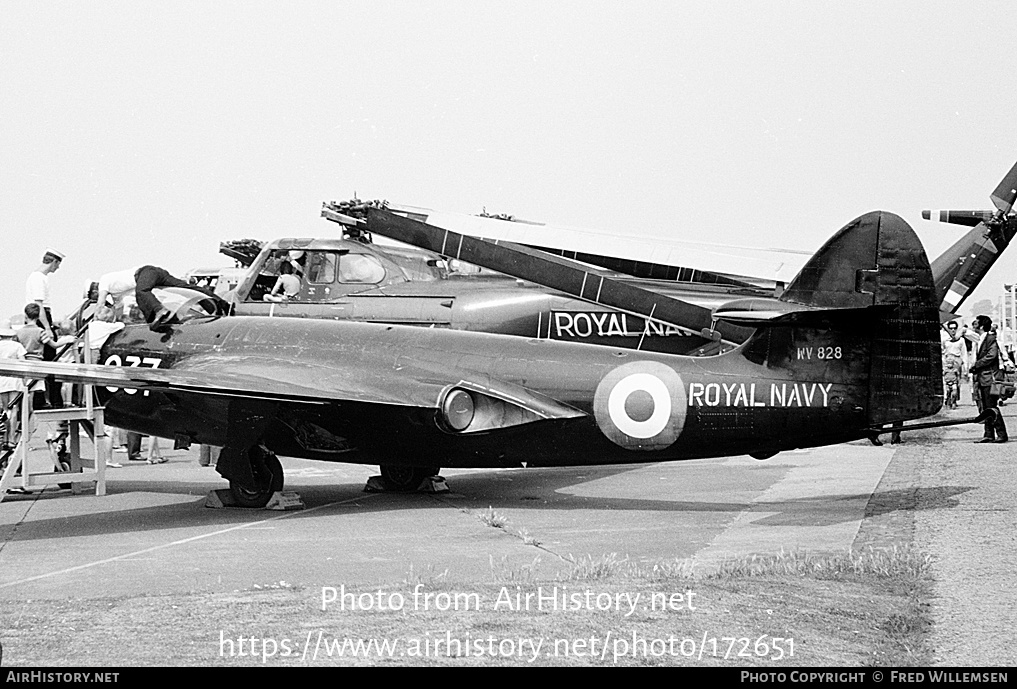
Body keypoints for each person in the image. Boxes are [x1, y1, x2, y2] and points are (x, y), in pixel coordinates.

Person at [969, 315, 1009, 443]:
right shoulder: (980, 339)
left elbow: (992, 356)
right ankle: (989, 434)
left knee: (991, 407)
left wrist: (977, 364)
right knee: (987, 407)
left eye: (976, 323)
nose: (973, 324)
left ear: (981, 326)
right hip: (984, 378)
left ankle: (1001, 434)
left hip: (992, 379)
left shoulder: (990, 338)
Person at [0, 326, 27, 450]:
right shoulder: (17, 346)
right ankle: (11, 439)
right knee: (14, 408)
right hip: (15, 379)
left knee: (5, 409)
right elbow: (23, 363)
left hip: (2, 380)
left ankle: (4, 438)